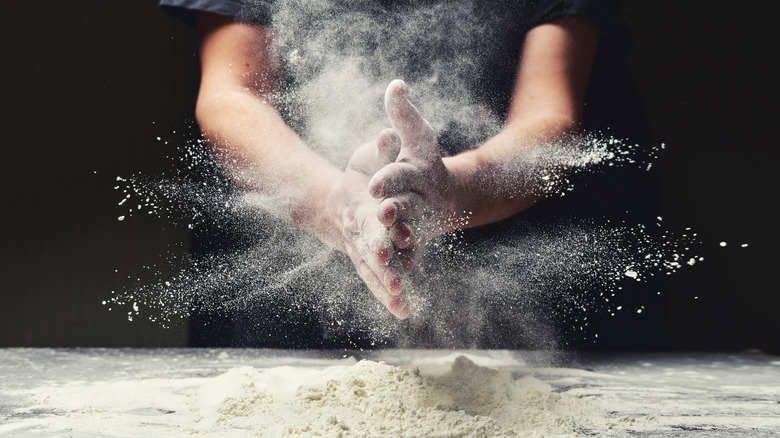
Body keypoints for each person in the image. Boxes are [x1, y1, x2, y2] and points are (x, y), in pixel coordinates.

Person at [161, 0, 657, 348]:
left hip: (512, 237)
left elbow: (549, 117)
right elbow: (232, 97)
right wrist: (338, 204)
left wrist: (450, 191)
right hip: (298, 254)